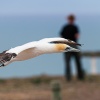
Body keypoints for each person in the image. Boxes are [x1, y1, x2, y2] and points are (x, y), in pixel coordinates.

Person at [60, 14, 84, 81]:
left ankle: (68, 78)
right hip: (73, 45)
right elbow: (77, 36)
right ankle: (80, 77)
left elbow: (61, 37)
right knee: (77, 61)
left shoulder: (65, 27)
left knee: (68, 62)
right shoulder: (75, 27)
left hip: (67, 45)